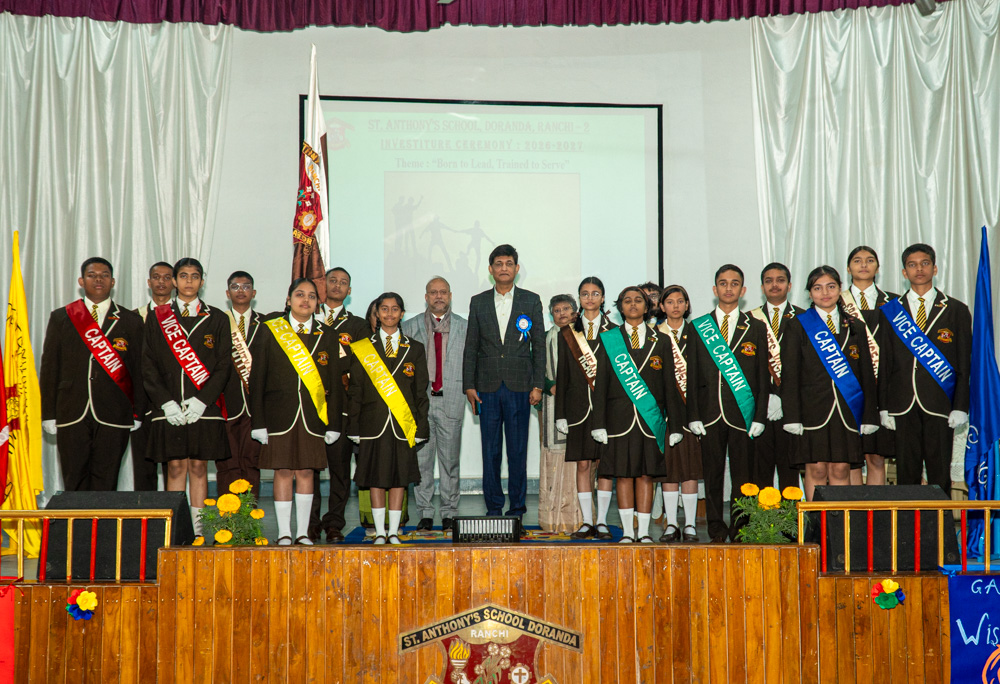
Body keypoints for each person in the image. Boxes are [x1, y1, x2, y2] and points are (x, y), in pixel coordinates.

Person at [142, 257, 231, 534]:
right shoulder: (158, 316)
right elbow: (148, 363)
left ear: (202, 282)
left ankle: (199, 532)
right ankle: (176, 530)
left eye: (194, 276)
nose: (189, 281)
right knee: (175, 467)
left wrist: (203, 401)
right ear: (174, 281)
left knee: (199, 467)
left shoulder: (217, 318)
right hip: (169, 407)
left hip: (203, 407)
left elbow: (224, 365)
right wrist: (166, 403)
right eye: (183, 276)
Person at [40, 257, 145, 491]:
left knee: (107, 481)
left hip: (115, 411)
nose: (99, 279)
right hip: (71, 409)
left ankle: (102, 518)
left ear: (113, 281)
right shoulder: (61, 317)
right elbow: (49, 369)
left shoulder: (131, 320)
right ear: (81, 281)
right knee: (73, 479)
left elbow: (138, 370)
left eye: (104, 275)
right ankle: (75, 518)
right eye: (92, 275)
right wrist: (48, 414)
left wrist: (137, 411)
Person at [250, 278, 342, 545]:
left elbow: (335, 383)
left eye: (312, 296)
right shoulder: (270, 329)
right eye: (300, 295)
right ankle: (284, 533)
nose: (306, 300)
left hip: (314, 417)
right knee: (282, 471)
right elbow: (257, 379)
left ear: (317, 303)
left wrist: (334, 423)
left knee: (306, 472)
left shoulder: (328, 334)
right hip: (278, 416)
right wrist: (258, 422)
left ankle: (302, 533)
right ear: (289, 300)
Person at [591, 286, 683, 543]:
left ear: (647, 306)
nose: (633, 304)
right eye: (627, 301)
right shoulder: (609, 339)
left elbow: (669, 385)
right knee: (622, 475)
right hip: (617, 421)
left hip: (650, 420)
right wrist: (598, 423)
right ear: (620, 307)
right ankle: (628, 533)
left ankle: (643, 533)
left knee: (645, 475)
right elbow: (601, 383)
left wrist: (675, 425)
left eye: (638, 300)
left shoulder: (661, 340)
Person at [463, 244, 545, 527]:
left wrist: (538, 385)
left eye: (509, 263)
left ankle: (518, 506)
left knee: (518, 450)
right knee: (490, 450)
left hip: (520, 386)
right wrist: (469, 385)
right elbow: (471, 346)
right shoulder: (478, 302)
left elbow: (539, 345)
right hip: (486, 387)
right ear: (490, 269)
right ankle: (494, 506)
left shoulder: (531, 300)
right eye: (498, 264)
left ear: (517, 269)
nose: (504, 268)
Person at [878, 244, 971, 494]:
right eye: (912, 264)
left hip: (940, 402)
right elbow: (885, 362)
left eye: (925, 263)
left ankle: (940, 521)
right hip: (902, 402)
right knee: (906, 474)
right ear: (904, 272)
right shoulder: (891, 311)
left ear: (935, 268)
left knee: (939, 473)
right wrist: (884, 406)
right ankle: (908, 520)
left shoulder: (956, 310)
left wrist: (960, 406)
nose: (919, 269)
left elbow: (964, 362)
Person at [686, 264, 769, 543]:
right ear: (715, 289)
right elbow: (692, 374)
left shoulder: (756, 327)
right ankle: (716, 529)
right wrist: (693, 414)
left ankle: (740, 528)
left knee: (743, 477)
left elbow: (761, 376)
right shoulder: (699, 327)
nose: (728, 288)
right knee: (712, 476)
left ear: (743, 290)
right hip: (709, 413)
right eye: (723, 283)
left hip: (743, 414)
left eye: (734, 283)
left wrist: (760, 416)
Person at [781, 266, 879, 500]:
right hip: (812, 411)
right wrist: (792, 416)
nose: (825, 293)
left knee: (841, 469)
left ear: (840, 289)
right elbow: (790, 375)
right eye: (818, 288)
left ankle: (838, 521)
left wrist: (869, 416)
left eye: (831, 286)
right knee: (816, 469)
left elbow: (866, 374)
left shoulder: (856, 326)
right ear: (810, 293)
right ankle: (815, 520)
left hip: (847, 410)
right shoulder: (798, 325)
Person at [347, 293, 430, 544]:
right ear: (377, 313)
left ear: (402, 314)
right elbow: (356, 390)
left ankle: (393, 531)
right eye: (384, 309)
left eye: (395, 309)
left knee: (399, 479)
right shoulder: (362, 347)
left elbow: (420, 392)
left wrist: (421, 428)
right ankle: (379, 532)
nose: (389, 313)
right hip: (371, 425)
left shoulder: (415, 348)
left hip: (403, 425)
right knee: (375, 479)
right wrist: (353, 427)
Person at [401, 277, 468, 532]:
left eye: (443, 292)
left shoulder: (465, 327)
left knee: (450, 463)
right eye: (433, 292)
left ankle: (450, 512)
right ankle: (426, 513)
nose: (438, 296)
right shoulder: (409, 327)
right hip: (420, 403)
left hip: (451, 399)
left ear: (450, 295)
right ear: (426, 297)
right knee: (422, 463)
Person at [309, 267, 371, 542]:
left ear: (349, 291)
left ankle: (334, 522)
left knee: (340, 469)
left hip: (342, 407)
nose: (337, 285)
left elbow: (361, 365)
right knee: (309, 468)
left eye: (343, 282)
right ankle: (310, 523)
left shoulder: (358, 325)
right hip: (309, 406)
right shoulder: (307, 317)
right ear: (323, 285)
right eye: (332, 280)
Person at [555, 277, 615, 540]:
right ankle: (587, 521)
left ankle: (602, 521)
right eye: (585, 294)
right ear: (579, 298)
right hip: (577, 410)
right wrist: (560, 414)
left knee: (605, 466)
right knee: (582, 464)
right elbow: (562, 375)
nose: (590, 298)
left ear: (603, 298)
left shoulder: (615, 331)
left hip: (608, 410)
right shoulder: (567, 333)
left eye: (595, 293)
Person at [844, 246, 898, 485]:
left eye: (869, 260)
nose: (863, 265)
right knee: (851, 458)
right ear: (848, 269)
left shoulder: (894, 302)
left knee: (876, 457)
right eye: (857, 261)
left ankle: (876, 509)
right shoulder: (835, 302)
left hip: (883, 389)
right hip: (849, 388)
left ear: (877, 267)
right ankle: (854, 510)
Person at [751, 263, 805, 490]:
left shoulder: (804, 318)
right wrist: (766, 398)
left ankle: (791, 513)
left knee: (790, 469)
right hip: (759, 408)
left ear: (789, 285)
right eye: (769, 281)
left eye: (780, 280)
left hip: (793, 407)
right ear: (762, 286)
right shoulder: (749, 320)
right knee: (759, 469)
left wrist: (785, 397)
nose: (774, 285)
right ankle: (761, 514)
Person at [656, 285, 703, 542]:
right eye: (670, 302)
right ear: (661, 306)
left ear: (687, 305)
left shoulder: (697, 333)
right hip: (663, 414)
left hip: (692, 411)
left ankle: (690, 524)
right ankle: (672, 523)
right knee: (669, 470)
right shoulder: (654, 335)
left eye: (680, 301)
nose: (675, 306)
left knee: (690, 469)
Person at [537, 294, 581, 532]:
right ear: (551, 314)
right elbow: (534, 369)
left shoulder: (584, 337)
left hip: (581, 405)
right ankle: (552, 517)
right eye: (556, 310)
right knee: (553, 458)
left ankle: (578, 518)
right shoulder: (544, 338)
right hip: (551, 402)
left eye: (566, 309)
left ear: (575, 312)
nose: (562, 313)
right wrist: (548, 385)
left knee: (580, 461)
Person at [218, 271, 263, 497]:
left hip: (256, 405)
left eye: (246, 286)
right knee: (227, 462)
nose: (241, 291)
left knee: (252, 462)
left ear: (253, 293)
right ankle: (228, 514)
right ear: (228, 293)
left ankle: (250, 513)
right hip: (226, 402)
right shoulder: (218, 322)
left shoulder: (267, 323)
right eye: (235, 287)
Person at [131, 261, 175, 491]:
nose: (161, 282)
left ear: (174, 282)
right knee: (143, 466)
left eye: (167, 277)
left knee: (174, 466)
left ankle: (173, 512)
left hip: (173, 401)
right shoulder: (133, 317)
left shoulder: (183, 317)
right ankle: (144, 513)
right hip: (142, 403)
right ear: (149, 282)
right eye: (156, 277)